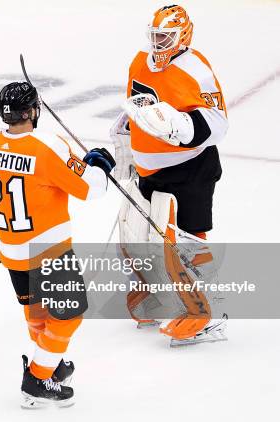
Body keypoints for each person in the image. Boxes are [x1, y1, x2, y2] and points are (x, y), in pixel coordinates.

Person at [0, 81, 114, 407]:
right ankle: (37, 378)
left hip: (12, 251)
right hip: (49, 250)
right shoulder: (47, 146)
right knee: (69, 314)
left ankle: (51, 365)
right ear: (33, 111)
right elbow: (91, 189)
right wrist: (100, 164)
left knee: (38, 312)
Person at [111, 5, 229, 346]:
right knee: (136, 235)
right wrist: (126, 136)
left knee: (183, 242)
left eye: (165, 37)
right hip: (149, 169)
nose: (158, 43)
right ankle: (157, 296)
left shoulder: (196, 70)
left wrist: (180, 125)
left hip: (189, 169)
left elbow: (218, 123)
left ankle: (203, 313)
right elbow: (137, 104)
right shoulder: (139, 62)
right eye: (155, 36)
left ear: (183, 36)